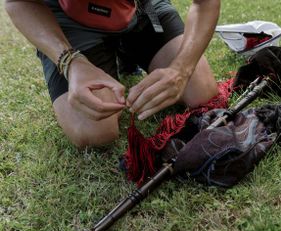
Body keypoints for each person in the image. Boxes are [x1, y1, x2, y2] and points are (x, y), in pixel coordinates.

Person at [5, 0, 220, 148]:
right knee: (94, 131)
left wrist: (181, 69)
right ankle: (100, 50)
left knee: (200, 91)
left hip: (138, 7)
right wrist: (71, 61)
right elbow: (19, 3)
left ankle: (126, 47)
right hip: (68, 18)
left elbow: (205, 3)